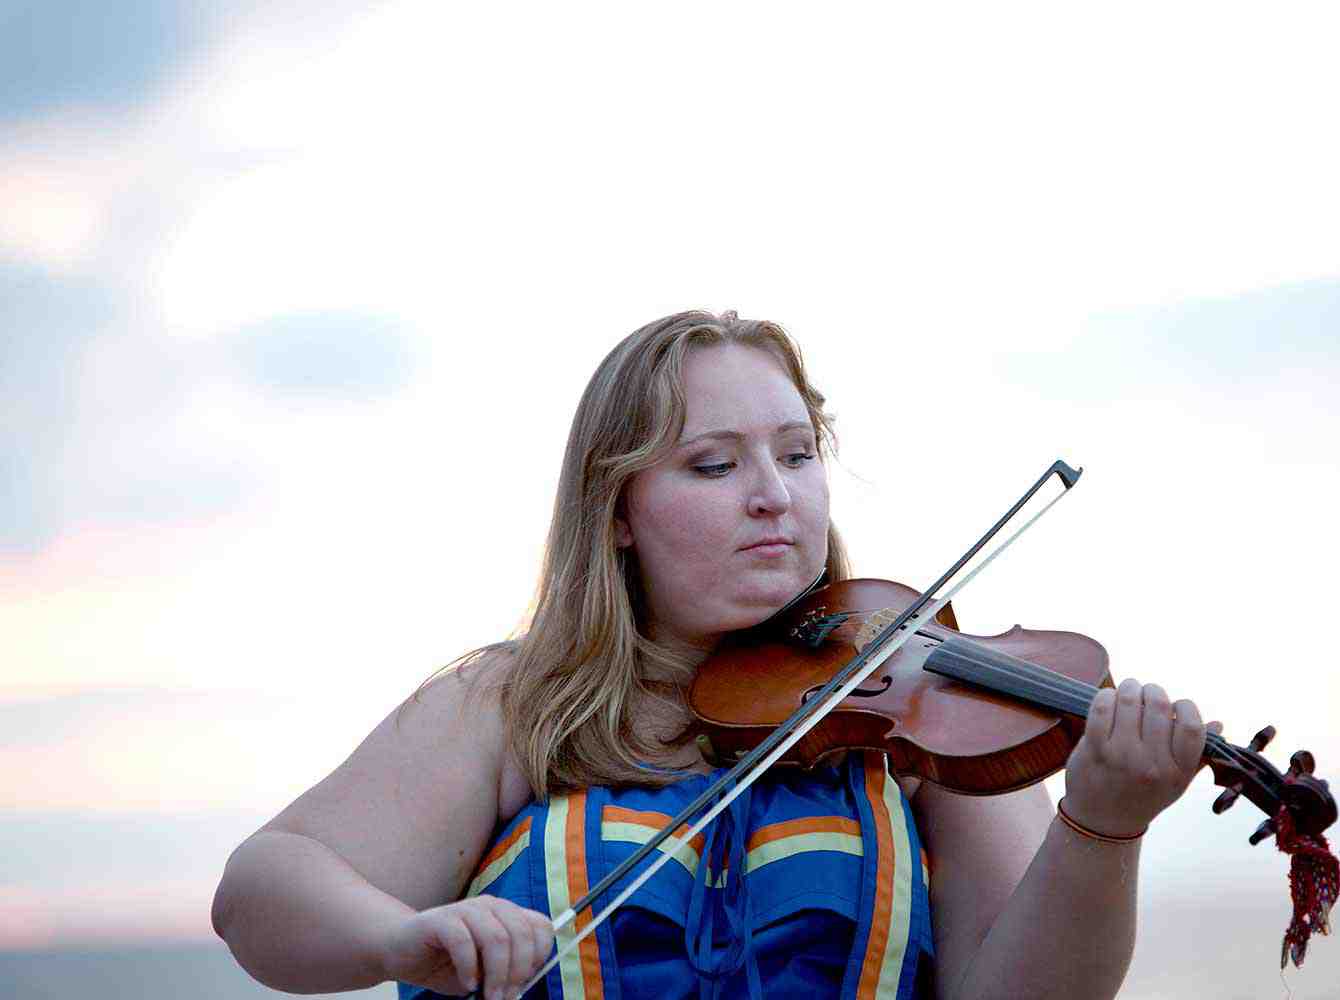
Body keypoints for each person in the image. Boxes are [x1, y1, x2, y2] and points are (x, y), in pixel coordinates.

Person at [212, 310, 1216, 1000]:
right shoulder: (515, 705)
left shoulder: (923, 711)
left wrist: (1103, 826)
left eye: (797, 453)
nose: (774, 494)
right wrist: (398, 938)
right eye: (714, 464)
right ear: (617, 512)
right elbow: (262, 892)